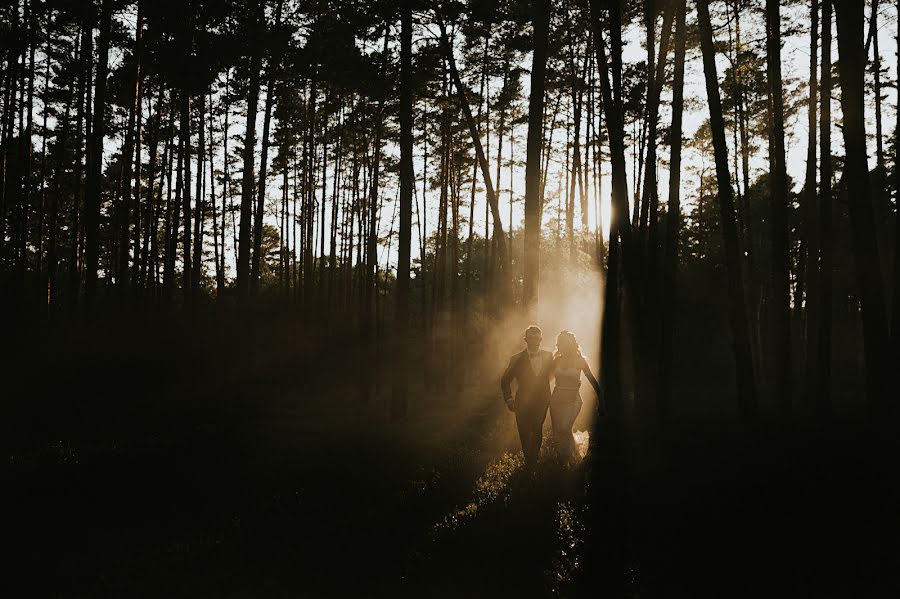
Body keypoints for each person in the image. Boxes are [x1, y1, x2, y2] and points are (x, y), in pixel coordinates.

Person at [500, 325, 553, 466]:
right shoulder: (516, 359)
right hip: (522, 401)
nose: (534, 341)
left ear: (541, 339)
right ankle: (528, 459)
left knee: (537, 429)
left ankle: (532, 461)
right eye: (531, 338)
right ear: (526, 339)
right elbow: (505, 381)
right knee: (523, 431)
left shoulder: (549, 356)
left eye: (537, 338)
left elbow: (556, 373)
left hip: (542, 400)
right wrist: (509, 399)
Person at [549, 330, 601, 461]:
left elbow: (592, 380)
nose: (560, 346)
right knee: (558, 432)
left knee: (565, 427)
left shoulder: (580, 361)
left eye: (563, 343)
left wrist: (602, 400)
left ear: (571, 344)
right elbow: (545, 380)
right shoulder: (556, 361)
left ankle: (572, 457)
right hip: (556, 401)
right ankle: (562, 460)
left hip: (573, 400)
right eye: (559, 343)